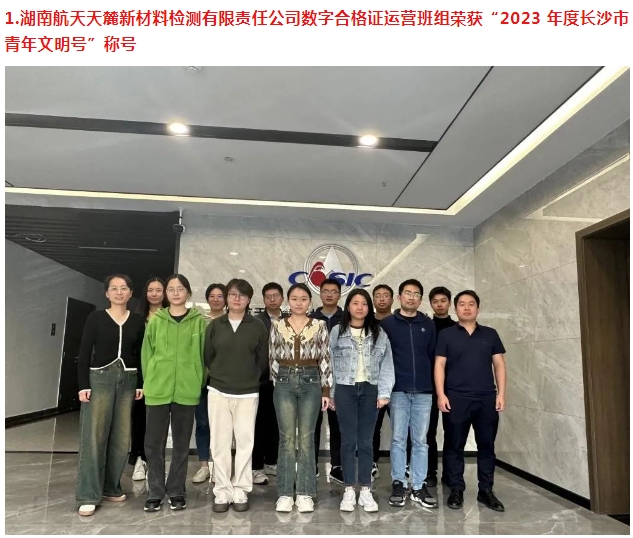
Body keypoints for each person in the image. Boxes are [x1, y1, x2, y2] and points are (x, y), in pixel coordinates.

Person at [76, 274, 145, 517]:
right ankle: (88, 494)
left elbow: (140, 354)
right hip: (99, 379)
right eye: (114, 288)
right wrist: (83, 385)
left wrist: (141, 383)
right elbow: (85, 352)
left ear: (130, 292)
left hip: (128, 380)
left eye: (123, 288)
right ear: (107, 293)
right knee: (94, 437)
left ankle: (111, 487)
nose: (119, 292)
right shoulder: (96, 318)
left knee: (121, 438)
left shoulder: (137, 321)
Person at [435, 290, 507, 512]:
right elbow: (439, 365)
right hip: (456, 398)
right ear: (455, 308)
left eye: (471, 304)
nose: (467, 308)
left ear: (478, 308)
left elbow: (499, 365)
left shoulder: (490, 334)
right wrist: (441, 394)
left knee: (487, 446)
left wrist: (501, 394)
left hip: (486, 399)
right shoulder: (446, 335)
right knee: (454, 446)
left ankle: (486, 490)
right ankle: (456, 488)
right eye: (462, 304)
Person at [141, 274, 206, 512]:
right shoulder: (156, 320)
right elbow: (147, 353)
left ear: (188, 292)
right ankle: (155, 491)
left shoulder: (199, 322)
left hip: (187, 389)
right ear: (166, 294)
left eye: (180, 289)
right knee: (153, 443)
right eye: (171, 289)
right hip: (158, 388)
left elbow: (204, 355)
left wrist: (197, 379)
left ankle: (177, 490)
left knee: (181, 444)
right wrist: (150, 380)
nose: (176, 293)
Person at [204, 279, 269, 513]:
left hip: (247, 392)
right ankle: (222, 490)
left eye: (242, 295)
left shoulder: (257, 326)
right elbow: (208, 357)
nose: (237, 299)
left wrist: (250, 378)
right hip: (218, 391)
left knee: (245, 443)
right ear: (227, 297)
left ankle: (241, 489)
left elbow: (263, 360)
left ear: (249, 299)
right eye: (232, 294)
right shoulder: (215, 325)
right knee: (219, 443)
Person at [330, 289, 395, 512]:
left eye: (364, 304)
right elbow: (328, 364)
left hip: (370, 389)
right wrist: (331, 393)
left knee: (366, 442)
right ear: (348, 306)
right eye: (355, 303)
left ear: (369, 308)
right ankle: (349, 489)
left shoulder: (379, 332)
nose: (360, 307)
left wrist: (384, 393)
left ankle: (366, 489)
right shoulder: (337, 331)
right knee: (348, 441)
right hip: (345, 389)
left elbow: (387, 364)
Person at [270, 283, 332, 513]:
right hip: (284, 381)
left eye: (303, 299)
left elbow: (325, 357)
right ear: (288, 301)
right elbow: (272, 357)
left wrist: (326, 390)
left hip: (311, 380)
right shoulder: (277, 325)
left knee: (306, 438)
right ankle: (285, 493)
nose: (299, 303)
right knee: (286, 438)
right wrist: (278, 384)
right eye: (294, 298)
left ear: (310, 302)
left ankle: (305, 492)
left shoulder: (319, 326)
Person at [381, 279, 438, 509]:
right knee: (398, 439)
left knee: (421, 441)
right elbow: (382, 357)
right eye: (407, 293)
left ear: (420, 300)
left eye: (416, 294)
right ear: (399, 297)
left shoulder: (428, 324)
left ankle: (418, 486)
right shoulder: (387, 324)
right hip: (398, 390)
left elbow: (433, 357)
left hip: (424, 391)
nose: (411, 297)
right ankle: (398, 482)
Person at [129, 277, 168, 482]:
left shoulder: (170, 317)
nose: (154, 294)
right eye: (150, 290)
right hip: (141, 376)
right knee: (139, 419)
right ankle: (139, 459)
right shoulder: (137, 319)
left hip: (164, 376)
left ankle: (155, 461)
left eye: (158, 290)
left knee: (158, 423)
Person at [252, 282, 287, 485]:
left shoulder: (289, 320)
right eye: (268, 296)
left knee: (277, 422)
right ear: (263, 299)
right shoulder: (257, 321)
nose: (272, 299)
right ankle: (256, 466)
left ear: (282, 298)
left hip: (283, 379)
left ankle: (271, 461)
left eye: (276, 296)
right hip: (262, 380)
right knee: (259, 423)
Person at [310, 278, 344, 484]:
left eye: (334, 291)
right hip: (314, 379)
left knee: (338, 424)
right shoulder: (311, 319)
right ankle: (310, 464)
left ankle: (337, 466)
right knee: (312, 424)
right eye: (326, 291)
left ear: (339, 294)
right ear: (320, 293)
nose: (329, 294)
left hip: (340, 380)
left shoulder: (347, 318)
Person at [192, 283, 227, 484]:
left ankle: (221, 467)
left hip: (224, 381)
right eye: (212, 296)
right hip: (201, 379)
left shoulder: (230, 321)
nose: (215, 299)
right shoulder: (199, 321)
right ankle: (204, 465)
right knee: (203, 423)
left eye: (219, 296)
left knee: (223, 426)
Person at [426, 286, 457, 488]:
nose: (439, 304)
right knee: (428, 432)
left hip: (453, 387)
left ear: (449, 303)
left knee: (452, 431)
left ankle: (449, 473)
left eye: (443, 300)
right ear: (430, 304)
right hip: (428, 386)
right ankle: (430, 472)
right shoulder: (426, 327)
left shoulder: (457, 328)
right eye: (435, 301)